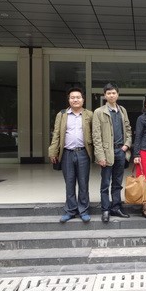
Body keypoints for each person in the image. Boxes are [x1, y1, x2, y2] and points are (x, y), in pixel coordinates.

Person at [49, 87, 94, 223]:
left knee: (83, 183)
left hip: (83, 153)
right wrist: (53, 151)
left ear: (83, 99)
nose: (75, 100)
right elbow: (56, 134)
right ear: (69, 100)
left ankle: (83, 210)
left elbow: (95, 134)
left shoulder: (89, 115)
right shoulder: (62, 115)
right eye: (72, 97)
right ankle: (70, 210)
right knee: (69, 182)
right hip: (67, 153)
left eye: (78, 97)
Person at [92, 83, 133, 223]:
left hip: (120, 151)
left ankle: (116, 207)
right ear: (105, 95)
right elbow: (96, 136)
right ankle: (105, 209)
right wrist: (100, 156)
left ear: (117, 94)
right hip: (106, 152)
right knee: (105, 183)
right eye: (108, 93)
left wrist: (126, 145)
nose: (111, 95)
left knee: (117, 183)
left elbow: (128, 129)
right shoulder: (99, 112)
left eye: (114, 93)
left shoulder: (122, 110)